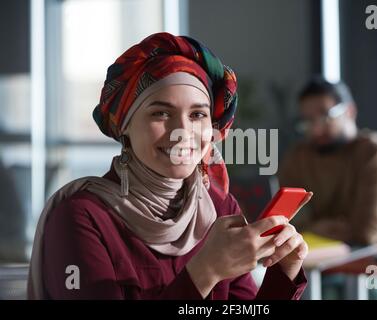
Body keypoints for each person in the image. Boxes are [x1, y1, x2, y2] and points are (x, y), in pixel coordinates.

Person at [27, 33, 311, 300]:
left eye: (198, 114)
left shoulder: (219, 207)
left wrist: (283, 272)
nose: (183, 131)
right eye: (161, 113)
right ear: (125, 127)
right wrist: (205, 272)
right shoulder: (81, 216)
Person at [279, 76, 377, 251]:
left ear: (350, 111)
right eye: (308, 121)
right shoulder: (297, 157)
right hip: (322, 259)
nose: (316, 128)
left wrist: (314, 227)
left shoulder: (375, 153)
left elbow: (367, 233)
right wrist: (337, 226)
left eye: (325, 116)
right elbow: (284, 226)